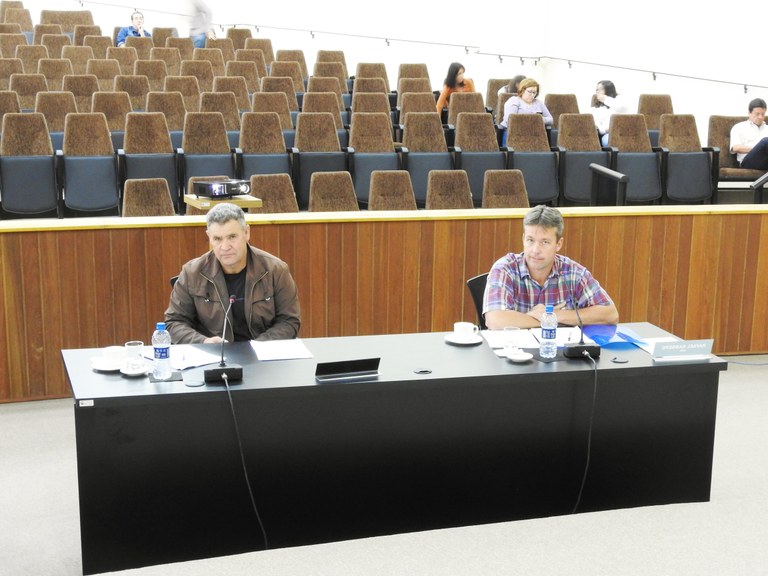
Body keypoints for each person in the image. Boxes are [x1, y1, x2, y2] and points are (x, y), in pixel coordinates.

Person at [165, 203, 301, 343]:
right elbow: (174, 322)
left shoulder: (275, 270)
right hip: (213, 353)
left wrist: (259, 346)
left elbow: (289, 321)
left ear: (246, 233)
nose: (225, 247)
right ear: (209, 237)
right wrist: (203, 342)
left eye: (232, 237)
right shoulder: (191, 273)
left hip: (263, 352)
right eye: (217, 239)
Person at [482, 205, 619, 330]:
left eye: (545, 242)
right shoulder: (505, 268)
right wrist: (548, 321)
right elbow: (494, 320)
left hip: (559, 348)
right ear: (523, 239)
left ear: (558, 244)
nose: (535, 250)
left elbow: (610, 314)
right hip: (513, 348)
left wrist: (554, 314)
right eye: (530, 240)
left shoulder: (573, 272)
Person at [498, 78, 553, 146]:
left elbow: (550, 120)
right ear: (522, 90)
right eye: (530, 92)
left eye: (534, 92)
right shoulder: (514, 100)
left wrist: (538, 119)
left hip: (534, 134)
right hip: (513, 133)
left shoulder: (539, 103)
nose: (532, 95)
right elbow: (510, 120)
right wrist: (531, 120)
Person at [729, 98, 768, 170]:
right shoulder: (739, 127)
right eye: (757, 114)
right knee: (766, 141)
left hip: (765, 161)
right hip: (748, 161)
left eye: (763, 114)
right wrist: (758, 149)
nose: (760, 117)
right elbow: (735, 148)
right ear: (749, 113)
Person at [589, 80, 628, 146]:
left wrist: (605, 99)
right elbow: (596, 125)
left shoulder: (619, 99)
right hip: (607, 134)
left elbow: (622, 108)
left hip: (623, 132)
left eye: (600, 89)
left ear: (608, 90)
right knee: (609, 142)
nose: (597, 91)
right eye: (596, 89)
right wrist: (606, 130)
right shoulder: (596, 106)